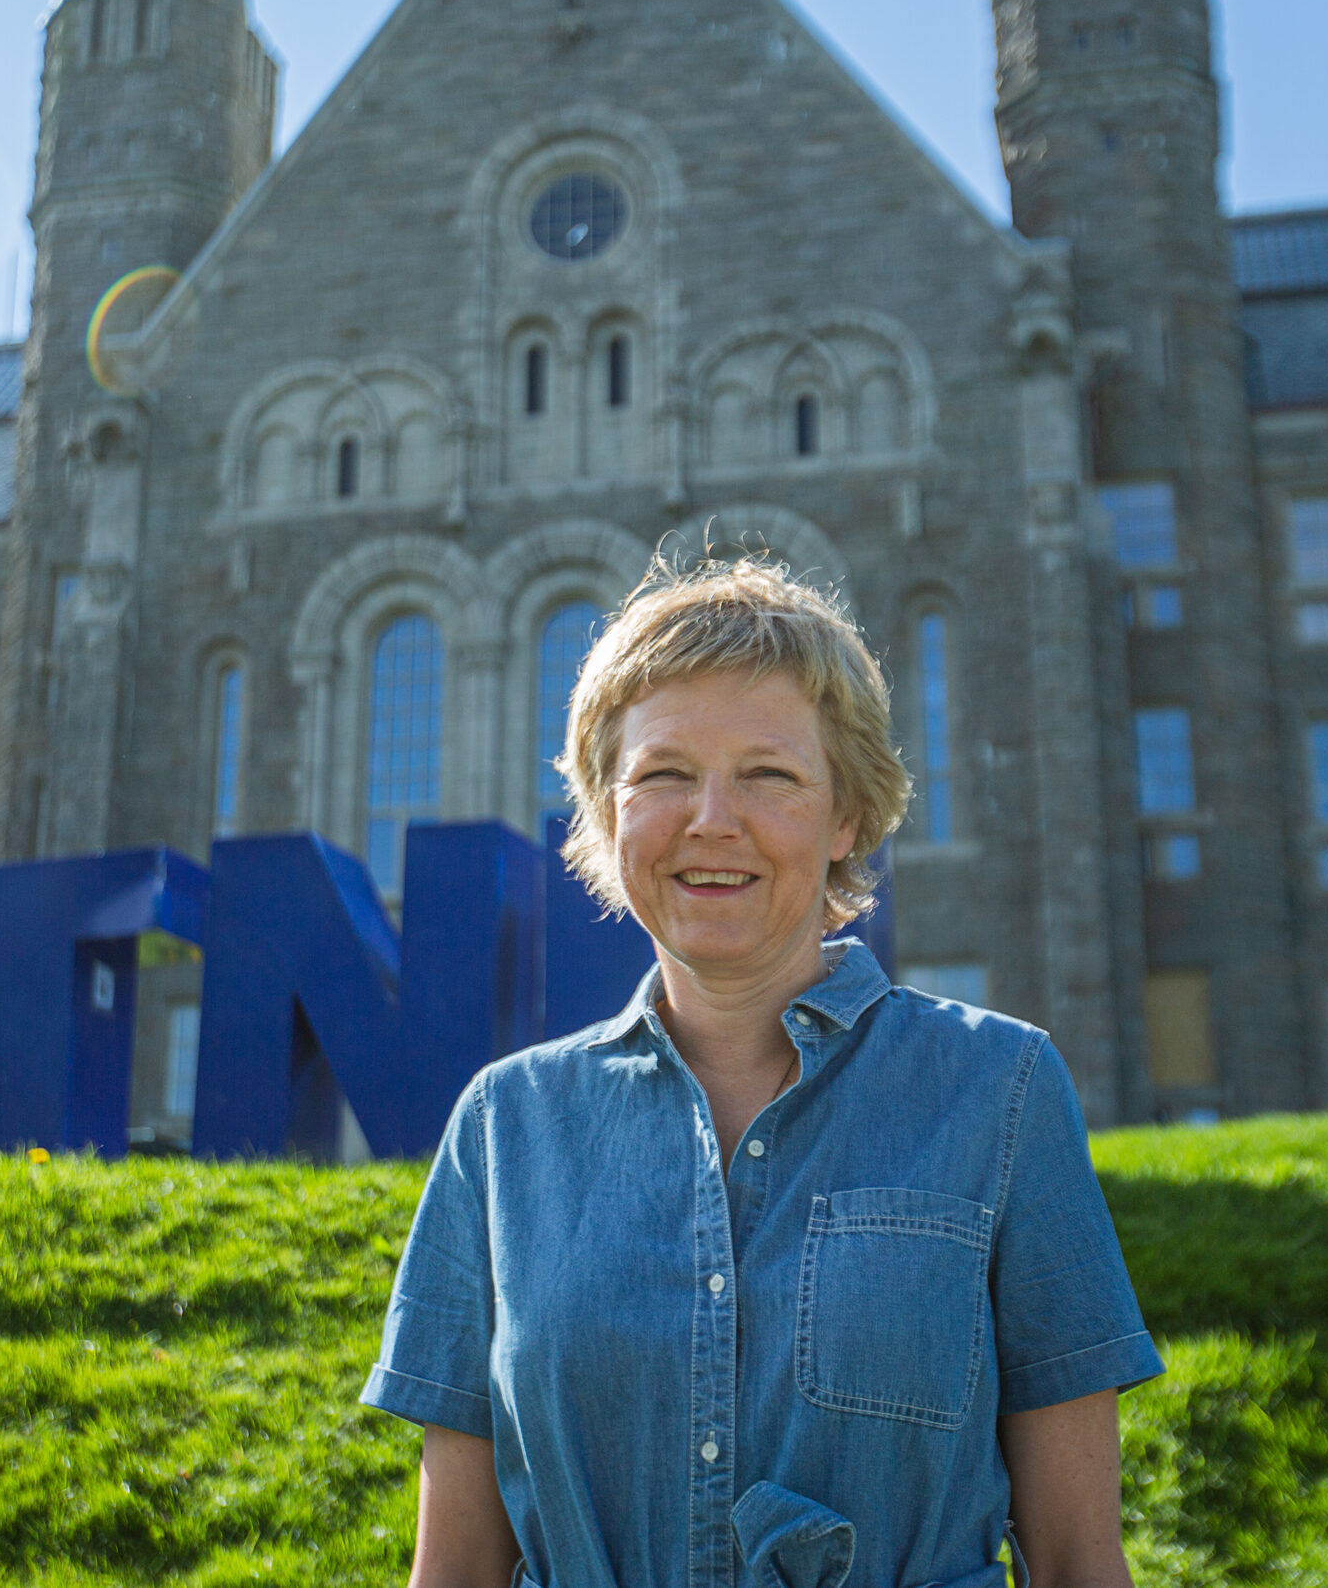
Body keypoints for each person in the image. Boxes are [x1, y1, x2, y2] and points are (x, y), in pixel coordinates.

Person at [362, 555, 1160, 1587]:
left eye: (768, 774)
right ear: (607, 814)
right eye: (663, 774)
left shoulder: (1000, 1090)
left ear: (846, 817)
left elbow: (1076, 1562)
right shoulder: (503, 1127)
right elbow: (456, 1569)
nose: (711, 819)